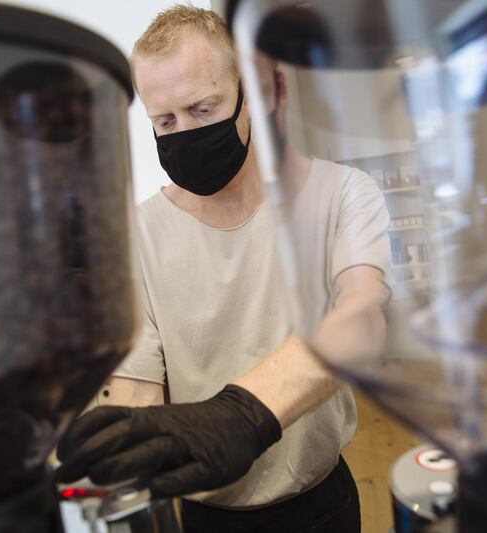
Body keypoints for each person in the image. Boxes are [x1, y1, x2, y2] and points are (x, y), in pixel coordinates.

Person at [57, 6, 391, 532]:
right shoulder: (135, 233)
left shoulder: (341, 194)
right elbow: (137, 386)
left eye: (202, 109)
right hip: (204, 513)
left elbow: (361, 319)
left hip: (321, 500)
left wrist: (243, 415)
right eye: (164, 121)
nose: (183, 132)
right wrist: (125, 455)